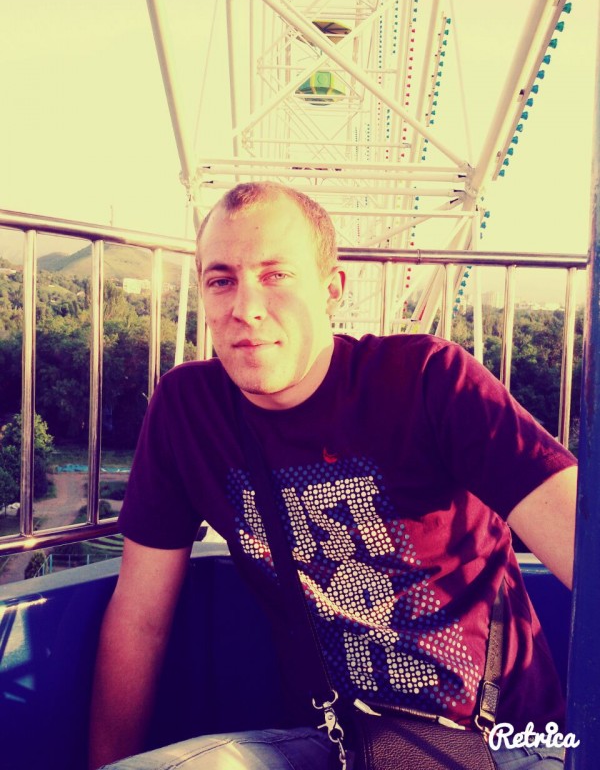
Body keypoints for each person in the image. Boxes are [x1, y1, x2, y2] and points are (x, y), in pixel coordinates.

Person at [89, 181, 577, 770]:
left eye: (275, 275)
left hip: (505, 743)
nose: (245, 307)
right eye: (221, 280)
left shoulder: (429, 380)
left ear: (331, 289)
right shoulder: (188, 411)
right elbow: (139, 618)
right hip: (337, 743)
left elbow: (584, 547)